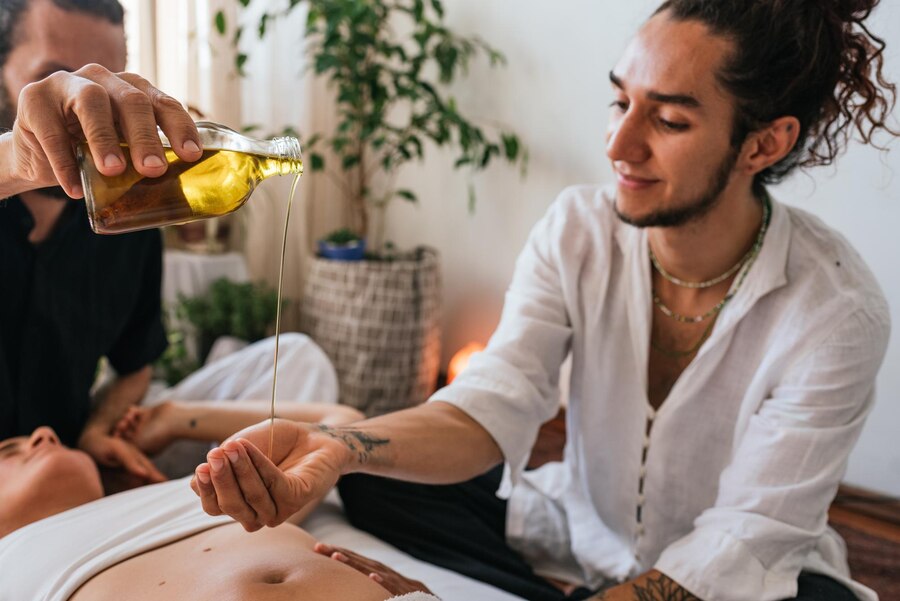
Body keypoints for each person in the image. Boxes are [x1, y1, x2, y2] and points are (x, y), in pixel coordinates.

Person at [190, 1, 896, 601]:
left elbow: (746, 535)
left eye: (670, 122)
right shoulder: (577, 228)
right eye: (621, 102)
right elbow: (496, 399)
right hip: (581, 528)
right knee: (378, 478)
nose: (620, 144)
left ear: (764, 144)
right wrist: (333, 447)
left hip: (740, 576)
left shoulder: (837, 308)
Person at [0, 410, 439, 601]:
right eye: (8, 452)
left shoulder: (204, 492)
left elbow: (339, 425)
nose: (43, 433)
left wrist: (176, 416)